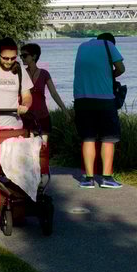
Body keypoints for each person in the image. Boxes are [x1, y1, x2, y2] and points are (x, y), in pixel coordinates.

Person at [72, 32, 126, 189]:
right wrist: (110, 76)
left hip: (82, 100)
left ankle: (88, 179)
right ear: (111, 43)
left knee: (88, 138)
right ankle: (107, 178)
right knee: (108, 138)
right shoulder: (108, 45)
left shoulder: (82, 47)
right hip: (104, 100)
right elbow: (121, 68)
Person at [19, 43, 65, 144]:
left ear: (34, 56)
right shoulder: (20, 73)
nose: (22, 58)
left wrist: (63, 109)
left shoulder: (44, 73)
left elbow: (54, 93)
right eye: (21, 56)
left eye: (25, 55)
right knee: (28, 149)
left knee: (43, 147)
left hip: (42, 115)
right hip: (26, 116)